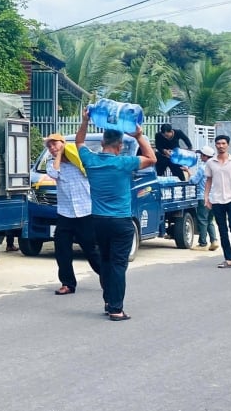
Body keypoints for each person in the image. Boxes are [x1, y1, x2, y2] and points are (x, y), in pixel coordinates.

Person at [76, 109, 155, 321]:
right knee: (119, 266)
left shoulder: (90, 161)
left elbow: (79, 143)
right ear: (119, 146)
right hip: (121, 221)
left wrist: (85, 121)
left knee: (107, 262)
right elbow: (151, 158)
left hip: (98, 221)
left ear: (102, 143)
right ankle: (116, 309)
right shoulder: (124, 163)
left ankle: (108, 300)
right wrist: (139, 136)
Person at [44, 133, 103, 297]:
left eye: (55, 144)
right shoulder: (52, 164)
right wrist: (60, 155)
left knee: (91, 249)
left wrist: (68, 153)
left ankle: (106, 276)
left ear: (63, 143)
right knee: (62, 249)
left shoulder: (79, 161)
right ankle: (67, 283)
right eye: (49, 146)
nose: (52, 148)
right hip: (66, 213)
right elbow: (54, 174)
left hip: (85, 212)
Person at [204, 134, 231, 268]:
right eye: (218, 144)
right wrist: (206, 198)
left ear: (228, 145)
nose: (221, 146)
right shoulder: (211, 163)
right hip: (217, 200)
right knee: (222, 230)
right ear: (215, 145)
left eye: (223, 143)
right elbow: (208, 180)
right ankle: (228, 259)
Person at [190, 146, 219, 251]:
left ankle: (202, 243)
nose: (200, 157)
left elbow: (194, 181)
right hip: (214, 198)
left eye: (201, 155)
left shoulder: (203, 168)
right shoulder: (216, 167)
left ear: (206, 156)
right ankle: (214, 241)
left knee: (202, 220)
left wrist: (188, 173)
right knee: (210, 220)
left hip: (203, 197)